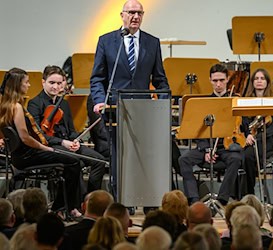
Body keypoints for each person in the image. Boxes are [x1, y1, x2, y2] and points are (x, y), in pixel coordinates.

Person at [90, 0, 170, 197]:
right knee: (120, 157)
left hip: (144, 110)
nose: (136, 17)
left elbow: (160, 79)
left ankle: (145, 198)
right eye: (132, 12)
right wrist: (100, 100)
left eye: (140, 13)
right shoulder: (106, 41)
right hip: (115, 109)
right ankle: (121, 200)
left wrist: (162, 101)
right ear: (122, 15)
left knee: (143, 157)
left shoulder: (152, 42)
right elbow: (97, 78)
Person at [0, 68, 81, 214]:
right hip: (27, 156)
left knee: (71, 160)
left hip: (19, 156)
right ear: (18, 84)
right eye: (26, 82)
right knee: (73, 161)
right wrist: (45, 148)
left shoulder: (6, 104)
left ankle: (62, 207)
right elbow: (25, 138)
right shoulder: (17, 107)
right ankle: (60, 207)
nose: (29, 85)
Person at [27, 65, 106, 196]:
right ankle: (72, 204)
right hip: (50, 146)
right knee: (76, 162)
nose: (56, 87)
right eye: (51, 83)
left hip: (68, 145)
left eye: (59, 83)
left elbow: (71, 130)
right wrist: (63, 142)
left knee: (99, 161)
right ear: (43, 82)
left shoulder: (63, 103)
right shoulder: (35, 103)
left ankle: (90, 200)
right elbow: (38, 135)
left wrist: (76, 140)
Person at [179, 63, 242, 206]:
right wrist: (206, 150)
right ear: (210, 80)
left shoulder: (235, 101)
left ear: (227, 80)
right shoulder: (204, 103)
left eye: (221, 80)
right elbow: (199, 131)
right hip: (206, 148)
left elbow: (242, 126)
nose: (218, 84)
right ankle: (194, 199)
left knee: (236, 158)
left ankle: (222, 199)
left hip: (226, 147)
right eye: (215, 81)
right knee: (184, 159)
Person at [241, 68, 273, 196]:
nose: (259, 81)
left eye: (262, 78)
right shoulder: (245, 102)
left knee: (247, 156)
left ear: (267, 82)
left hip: (265, 142)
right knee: (241, 157)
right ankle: (243, 193)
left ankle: (249, 193)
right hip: (248, 140)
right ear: (252, 82)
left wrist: (255, 137)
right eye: (256, 78)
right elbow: (243, 123)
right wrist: (248, 135)